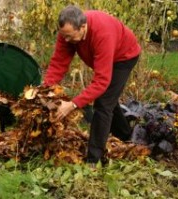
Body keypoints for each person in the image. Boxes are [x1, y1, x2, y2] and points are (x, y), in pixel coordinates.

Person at [43, 5, 141, 164]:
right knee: (109, 98)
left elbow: (102, 81)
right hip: (107, 55)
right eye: (64, 36)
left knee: (103, 104)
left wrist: (73, 104)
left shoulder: (102, 34)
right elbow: (58, 63)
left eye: (69, 36)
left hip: (124, 56)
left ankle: (93, 160)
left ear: (83, 27)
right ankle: (125, 135)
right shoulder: (67, 32)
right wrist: (47, 90)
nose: (66, 40)